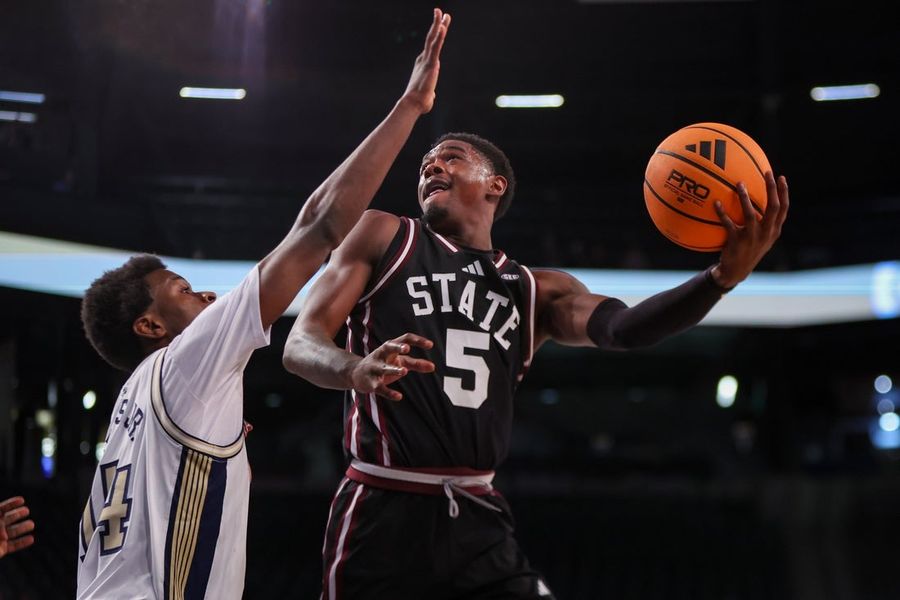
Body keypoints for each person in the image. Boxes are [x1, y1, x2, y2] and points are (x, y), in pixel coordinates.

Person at [283, 106, 789, 600]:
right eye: (425, 165)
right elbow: (300, 345)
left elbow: (627, 329)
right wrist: (355, 368)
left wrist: (719, 279)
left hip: (479, 517)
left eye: (451, 157)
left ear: (494, 184)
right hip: (382, 510)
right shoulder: (387, 234)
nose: (431, 166)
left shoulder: (536, 290)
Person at [75, 9, 451, 599]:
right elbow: (320, 226)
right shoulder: (184, 364)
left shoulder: (132, 404)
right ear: (150, 325)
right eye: (180, 289)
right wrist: (410, 106)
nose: (203, 294)